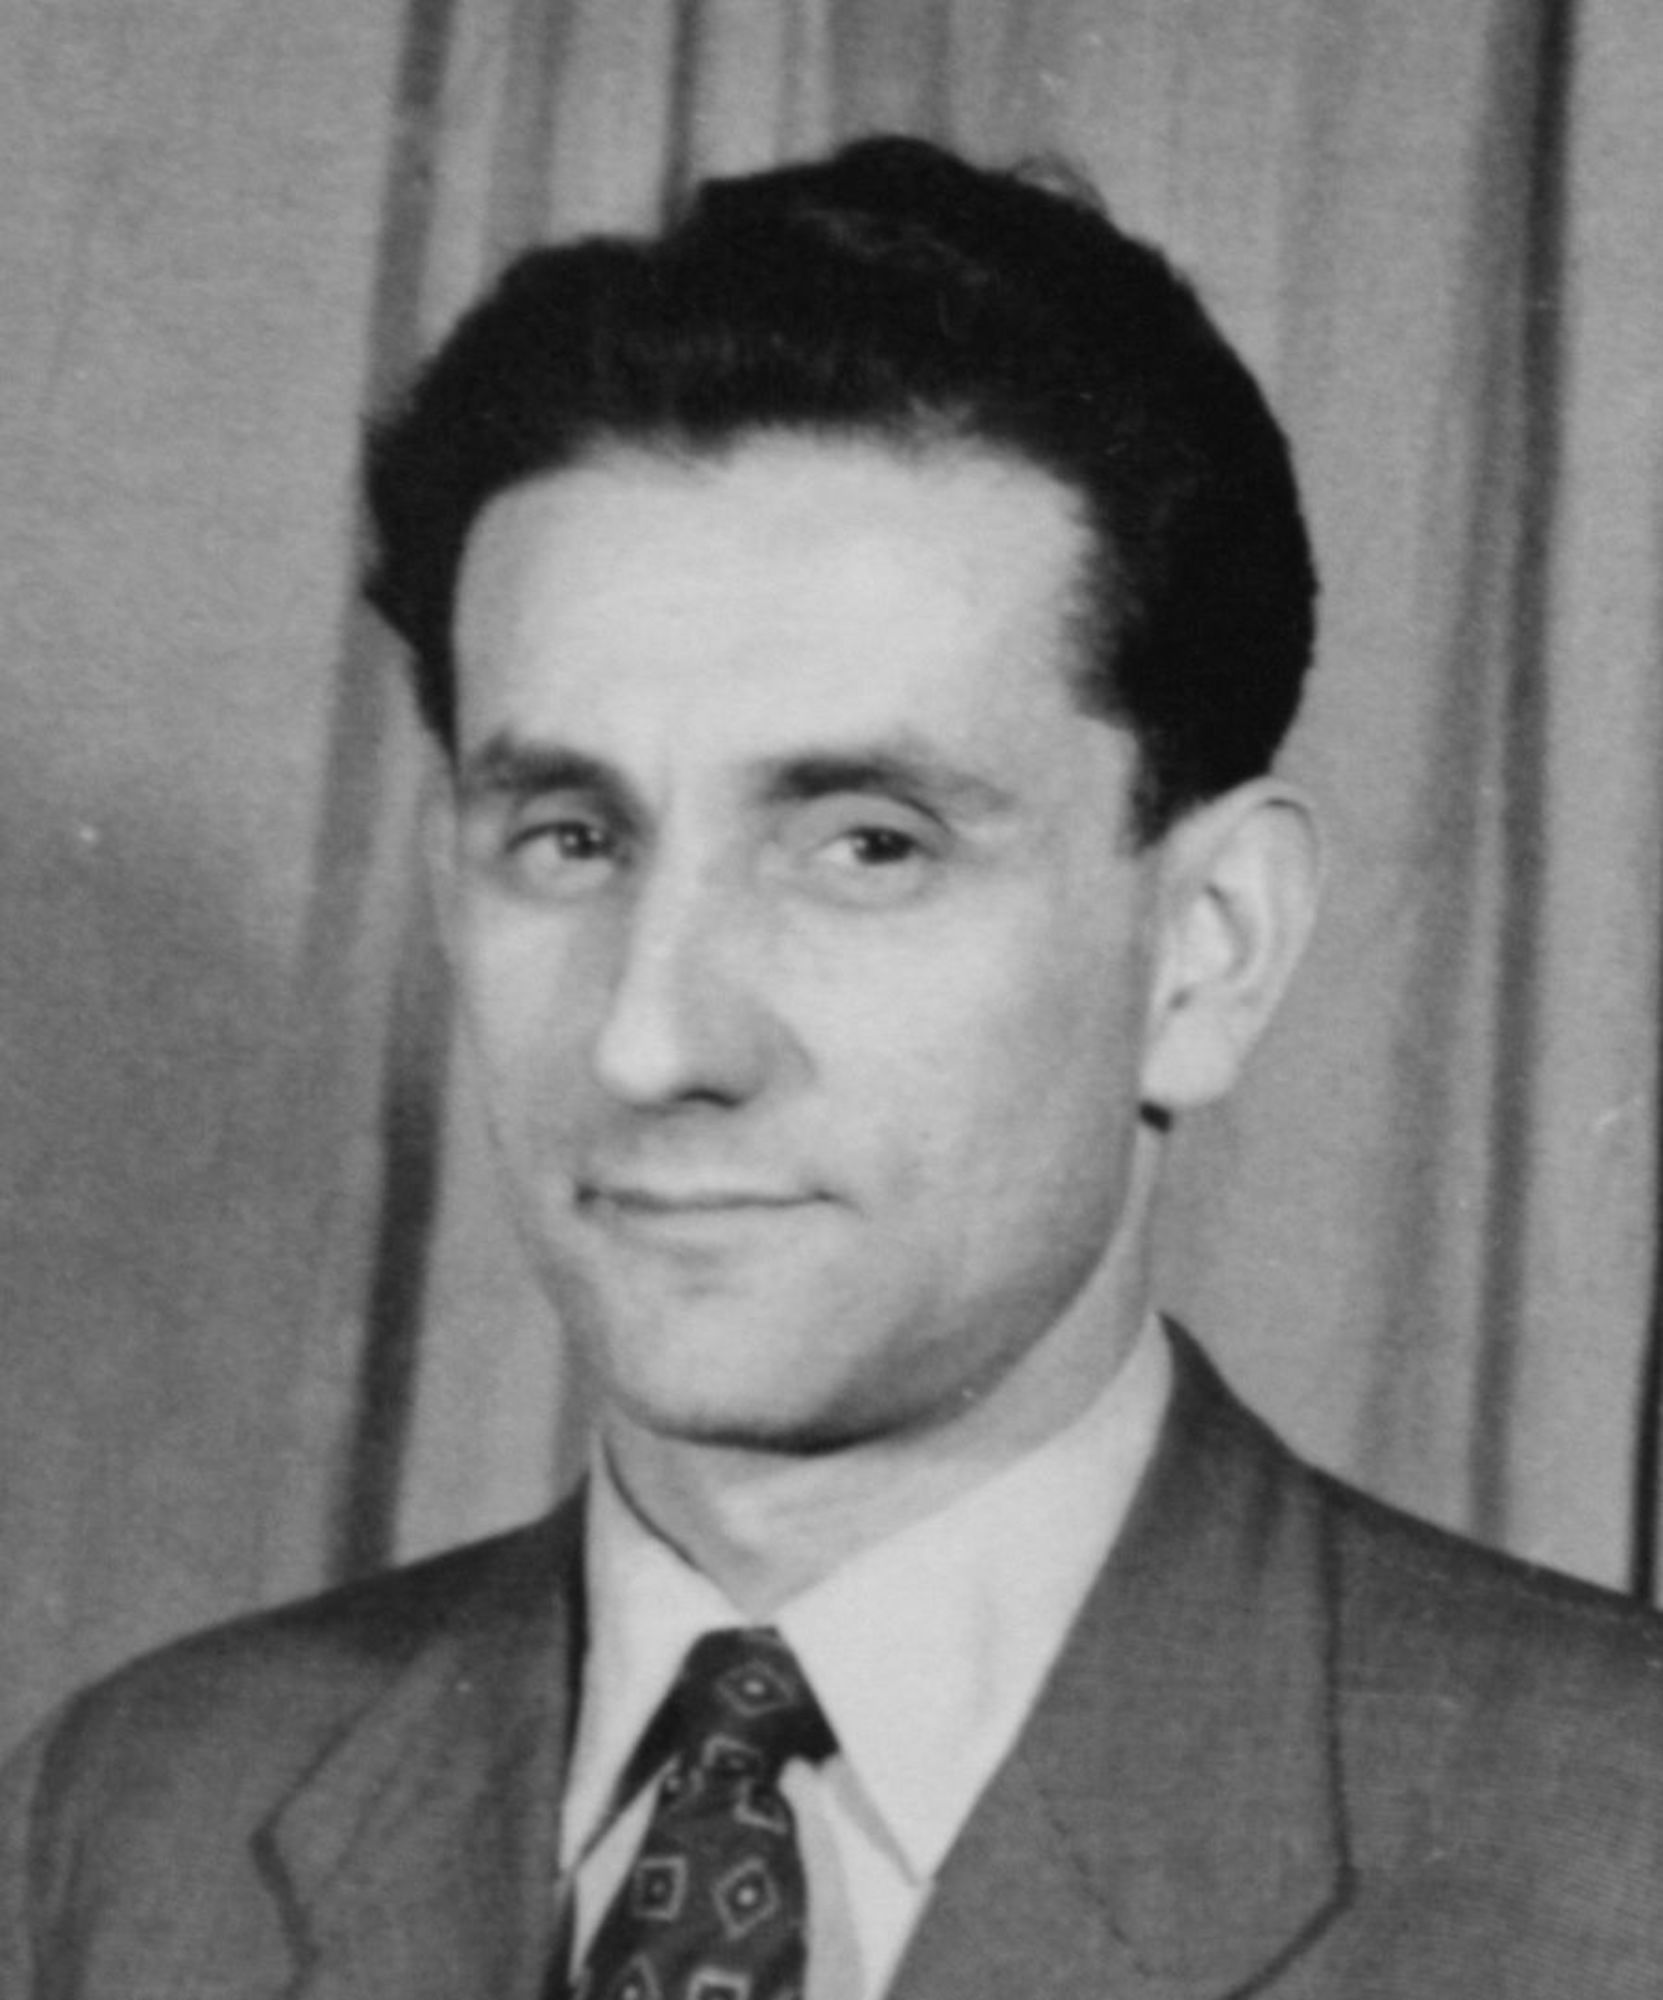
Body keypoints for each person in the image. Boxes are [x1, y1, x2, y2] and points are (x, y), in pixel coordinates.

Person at [3, 135, 1660, 1999]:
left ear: (1211, 947)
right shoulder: (125, 1829)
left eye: (869, 845)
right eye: (570, 839)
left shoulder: (1620, 1857)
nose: (651, 1040)